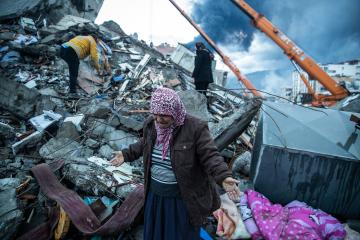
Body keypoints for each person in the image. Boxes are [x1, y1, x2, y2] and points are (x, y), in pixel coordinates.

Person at [110, 87, 239, 240]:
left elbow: (210, 155)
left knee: (179, 234)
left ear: (174, 110)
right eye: (155, 114)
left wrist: (224, 177)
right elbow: (144, 143)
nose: (158, 120)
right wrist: (126, 154)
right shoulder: (152, 125)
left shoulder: (195, 128)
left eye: (163, 115)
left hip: (181, 199)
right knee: (156, 233)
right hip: (155, 195)